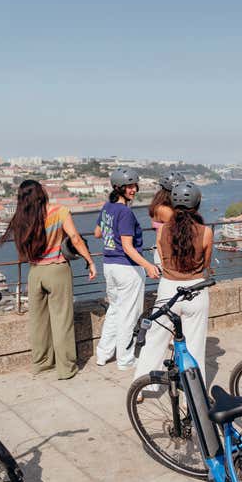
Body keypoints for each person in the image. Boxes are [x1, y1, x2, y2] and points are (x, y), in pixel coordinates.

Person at [1, 180, 96, 380]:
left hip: (35, 272)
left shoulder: (22, 218)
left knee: (38, 322)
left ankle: (41, 363)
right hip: (57, 270)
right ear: (40, 192)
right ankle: (65, 368)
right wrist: (90, 261)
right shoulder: (59, 211)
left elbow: (22, 250)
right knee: (62, 320)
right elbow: (75, 239)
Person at [134, 182, 213, 392]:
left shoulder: (163, 232)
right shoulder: (205, 232)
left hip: (168, 289)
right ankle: (193, 394)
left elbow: (162, 258)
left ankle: (142, 386)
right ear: (197, 204)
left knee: (155, 339)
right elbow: (205, 265)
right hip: (195, 289)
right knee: (195, 346)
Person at [94, 167, 160, 370]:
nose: (133, 189)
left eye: (134, 185)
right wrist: (148, 265)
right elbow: (128, 247)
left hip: (109, 265)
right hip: (127, 269)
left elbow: (98, 233)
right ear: (118, 187)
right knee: (129, 316)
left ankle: (103, 354)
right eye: (128, 186)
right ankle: (125, 360)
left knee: (114, 310)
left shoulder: (107, 207)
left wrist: (111, 234)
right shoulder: (125, 212)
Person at [148, 171, 186, 266]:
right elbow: (182, 228)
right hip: (170, 252)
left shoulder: (158, 205)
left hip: (166, 250)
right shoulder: (165, 210)